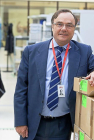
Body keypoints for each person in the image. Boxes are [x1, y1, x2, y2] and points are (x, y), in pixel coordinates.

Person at [14, 9, 94, 140]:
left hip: (63, 124)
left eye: (69, 25)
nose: (64, 28)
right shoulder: (32, 51)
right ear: (52, 26)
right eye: (59, 24)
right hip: (33, 122)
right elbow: (20, 89)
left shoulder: (84, 51)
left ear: (74, 29)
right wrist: (20, 121)